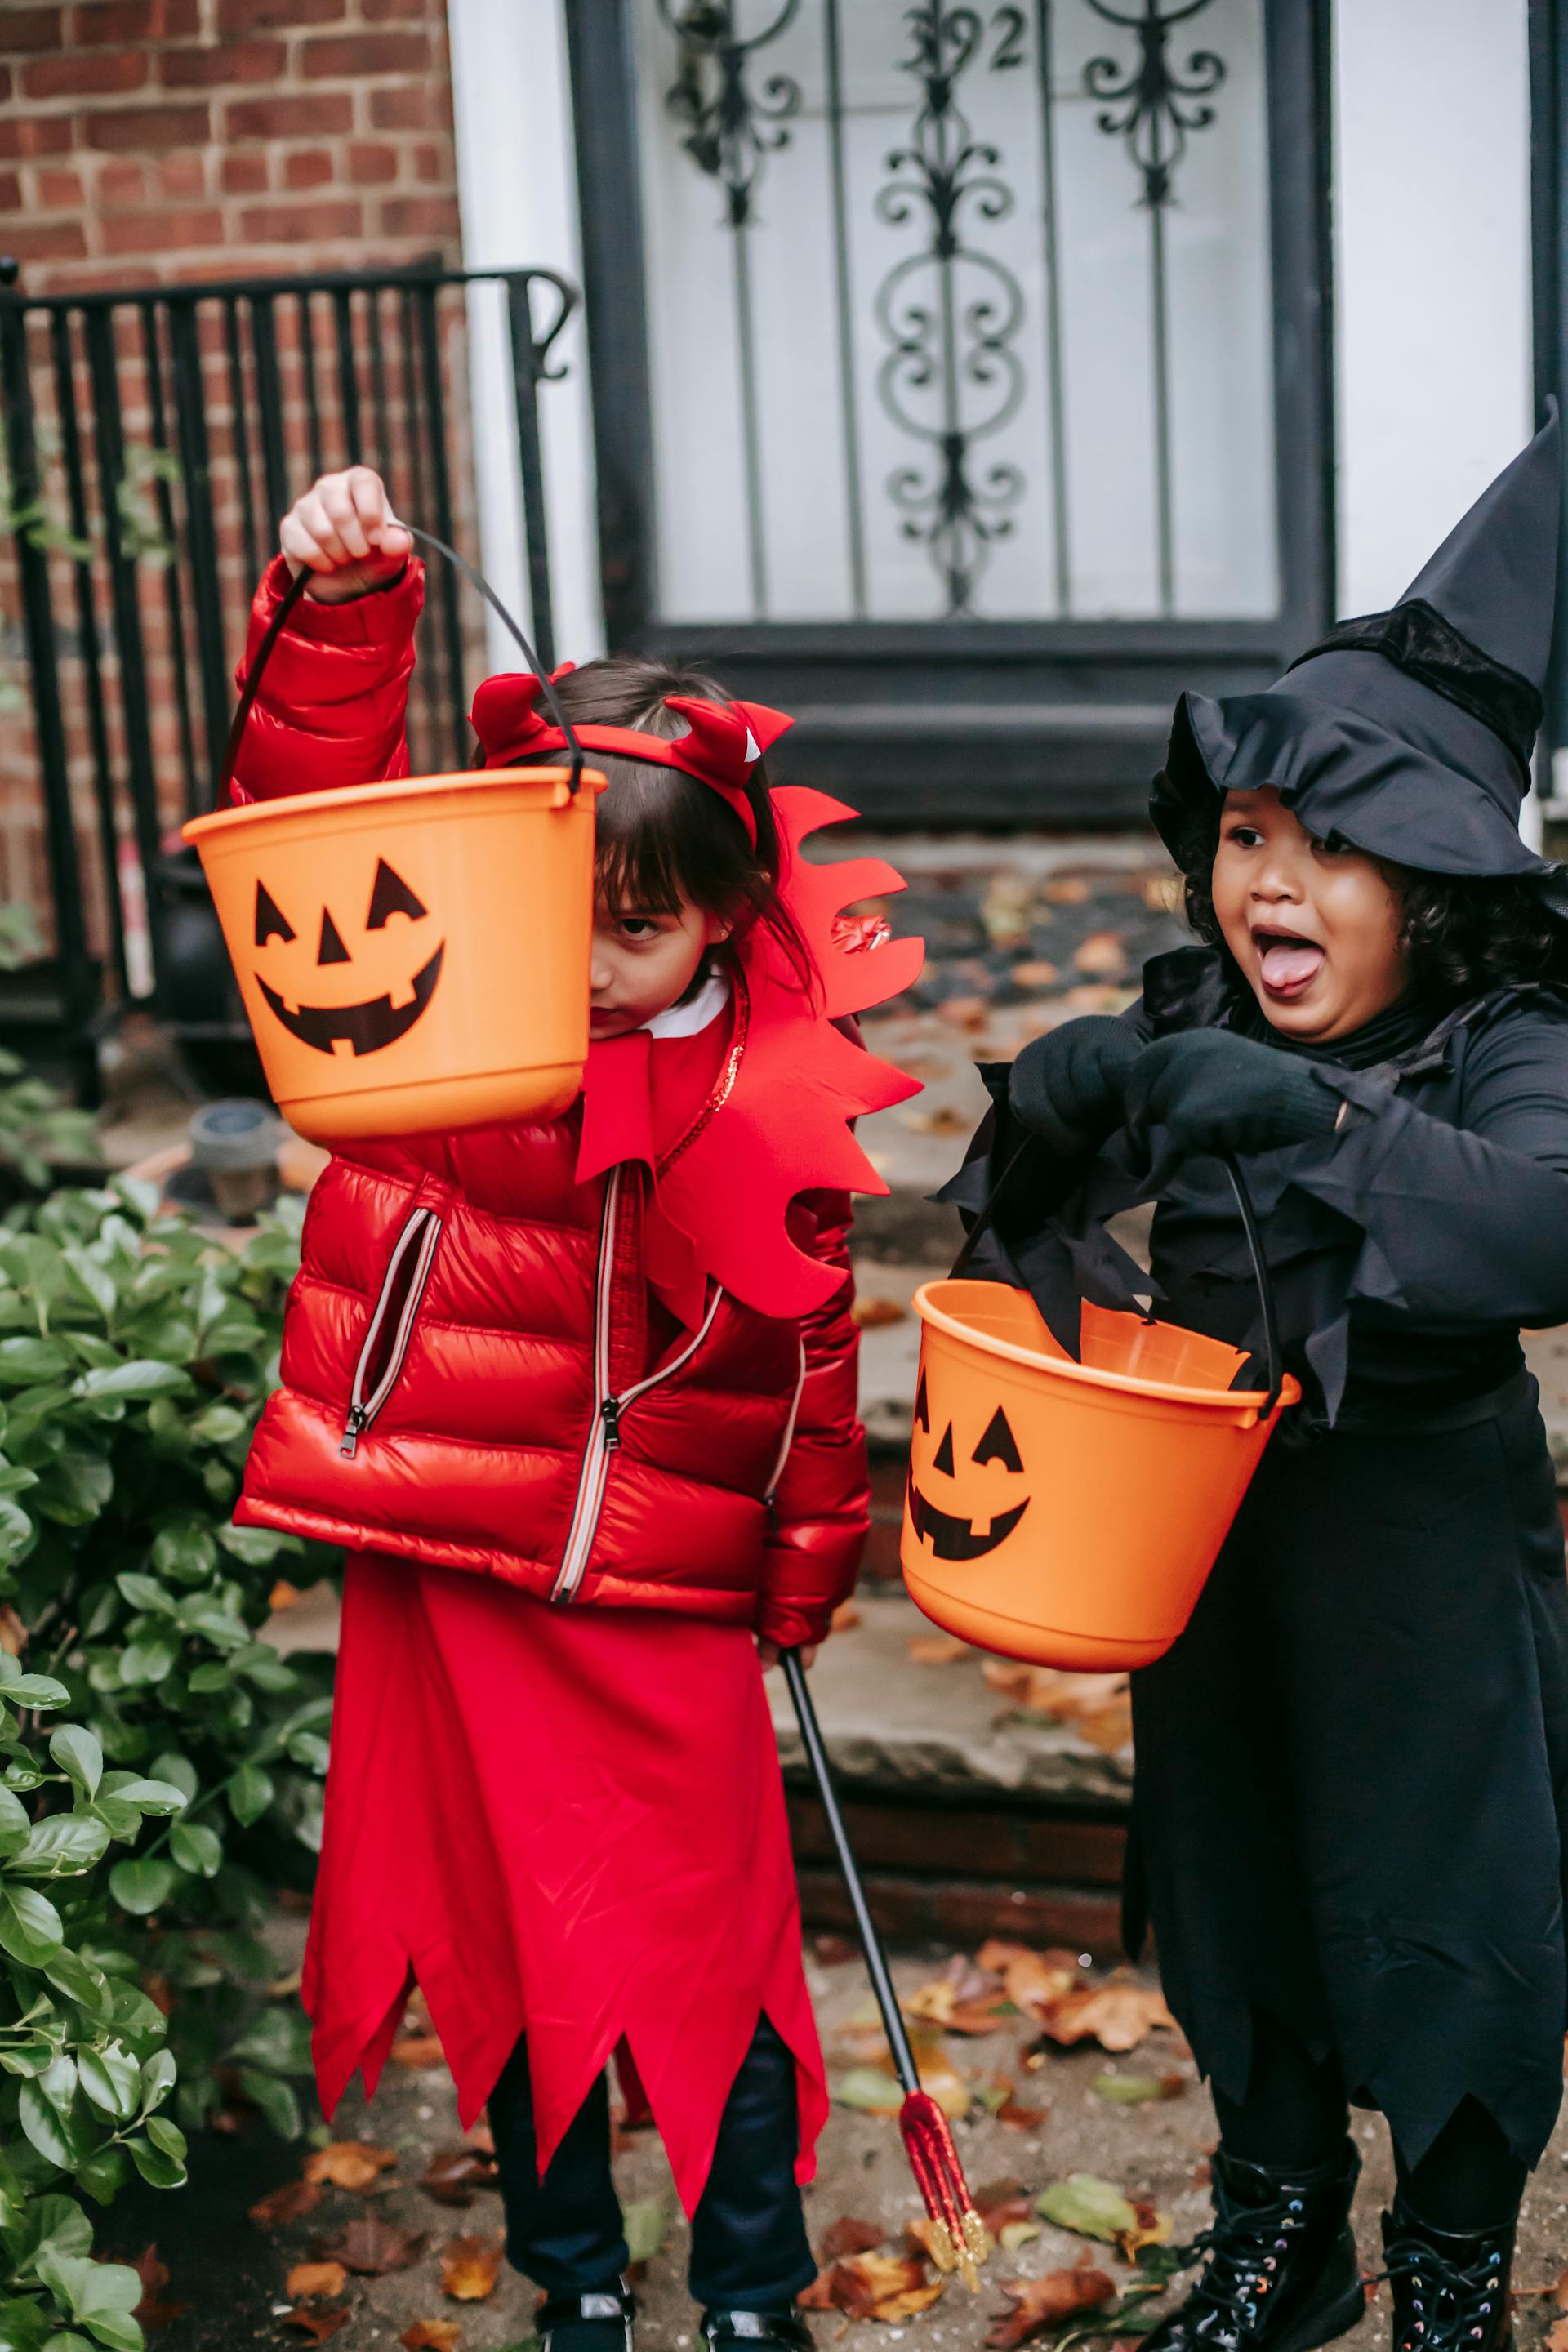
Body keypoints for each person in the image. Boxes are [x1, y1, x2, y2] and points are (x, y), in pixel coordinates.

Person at [225, 467, 923, 2352]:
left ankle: (758, 2291)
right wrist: (345, 614)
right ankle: (575, 2284)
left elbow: (816, 1355)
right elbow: (310, 842)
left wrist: (805, 1564)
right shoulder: (446, 1019)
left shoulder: (769, 1086)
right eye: (571, 909)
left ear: (721, 912)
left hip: (670, 1585)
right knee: (521, 1946)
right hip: (461, 1544)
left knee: (710, 1948)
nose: (603, 960)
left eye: (647, 923)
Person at [942, 408, 1568, 2352]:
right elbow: (1035, 1223)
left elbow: (1545, 1229)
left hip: (1427, 1568)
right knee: (1240, 1891)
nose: (1271, 887)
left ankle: (1449, 2278)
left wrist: (1301, 1115)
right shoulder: (1194, 1006)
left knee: (1446, 1921)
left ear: (1443, 885)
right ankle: (1278, 2235)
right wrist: (1042, 1136)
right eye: (1247, 838)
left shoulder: (1508, 1038)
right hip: (1204, 1555)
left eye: (1338, 849)